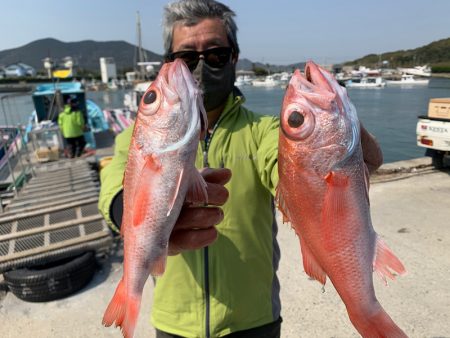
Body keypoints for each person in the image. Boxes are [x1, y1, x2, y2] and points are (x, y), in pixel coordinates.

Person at [98, 1, 384, 337]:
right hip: (173, 321)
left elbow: (298, 176)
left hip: (255, 320)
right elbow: (113, 189)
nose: (202, 66)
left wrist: (343, 139)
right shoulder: (137, 136)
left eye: (216, 54)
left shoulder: (265, 131)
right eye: (188, 58)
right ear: (170, 63)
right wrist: (136, 221)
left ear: (234, 57)